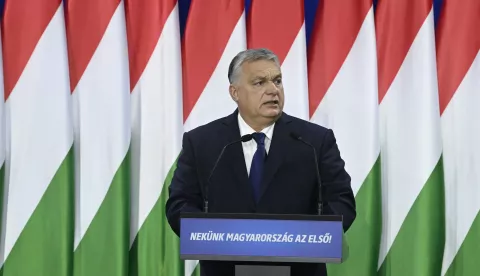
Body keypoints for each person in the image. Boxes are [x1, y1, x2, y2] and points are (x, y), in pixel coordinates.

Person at [165, 48, 356, 276]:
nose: (273, 90)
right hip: (224, 270)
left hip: (299, 269)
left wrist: (309, 238)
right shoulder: (203, 143)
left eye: (277, 81)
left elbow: (341, 201)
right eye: (259, 83)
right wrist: (212, 235)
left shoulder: (314, 141)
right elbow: (180, 203)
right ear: (235, 92)